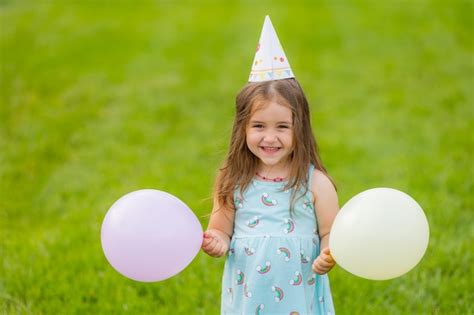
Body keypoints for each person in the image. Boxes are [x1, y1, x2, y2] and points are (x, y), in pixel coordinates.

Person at [202, 16, 338, 314]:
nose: (270, 137)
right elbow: (220, 230)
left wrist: (329, 252)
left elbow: (331, 231)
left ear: (299, 128)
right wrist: (216, 243)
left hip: (299, 295)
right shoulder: (233, 180)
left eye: (282, 127)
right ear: (243, 128)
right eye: (259, 126)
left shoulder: (315, 183)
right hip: (249, 295)